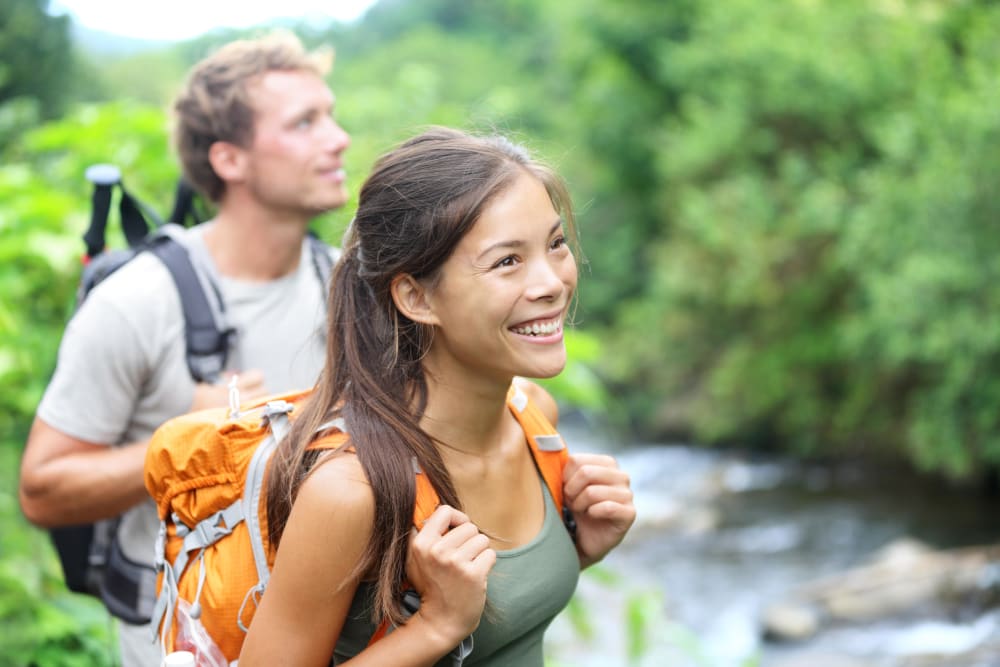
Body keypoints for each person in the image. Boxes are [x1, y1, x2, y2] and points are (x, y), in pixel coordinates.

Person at [238, 127, 636, 666]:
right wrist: (437, 625)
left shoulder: (533, 418)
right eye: (506, 262)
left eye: (555, 244)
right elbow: (458, 623)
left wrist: (576, 547)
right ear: (416, 296)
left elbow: (502, 625)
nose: (552, 282)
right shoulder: (351, 492)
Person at [18, 31, 351, 666]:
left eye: (331, 116)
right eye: (305, 122)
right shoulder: (139, 301)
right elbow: (43, 490)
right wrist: (194, 441)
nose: (338, 138)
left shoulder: (350, 288)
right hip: (182, 643)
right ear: (229, 160)